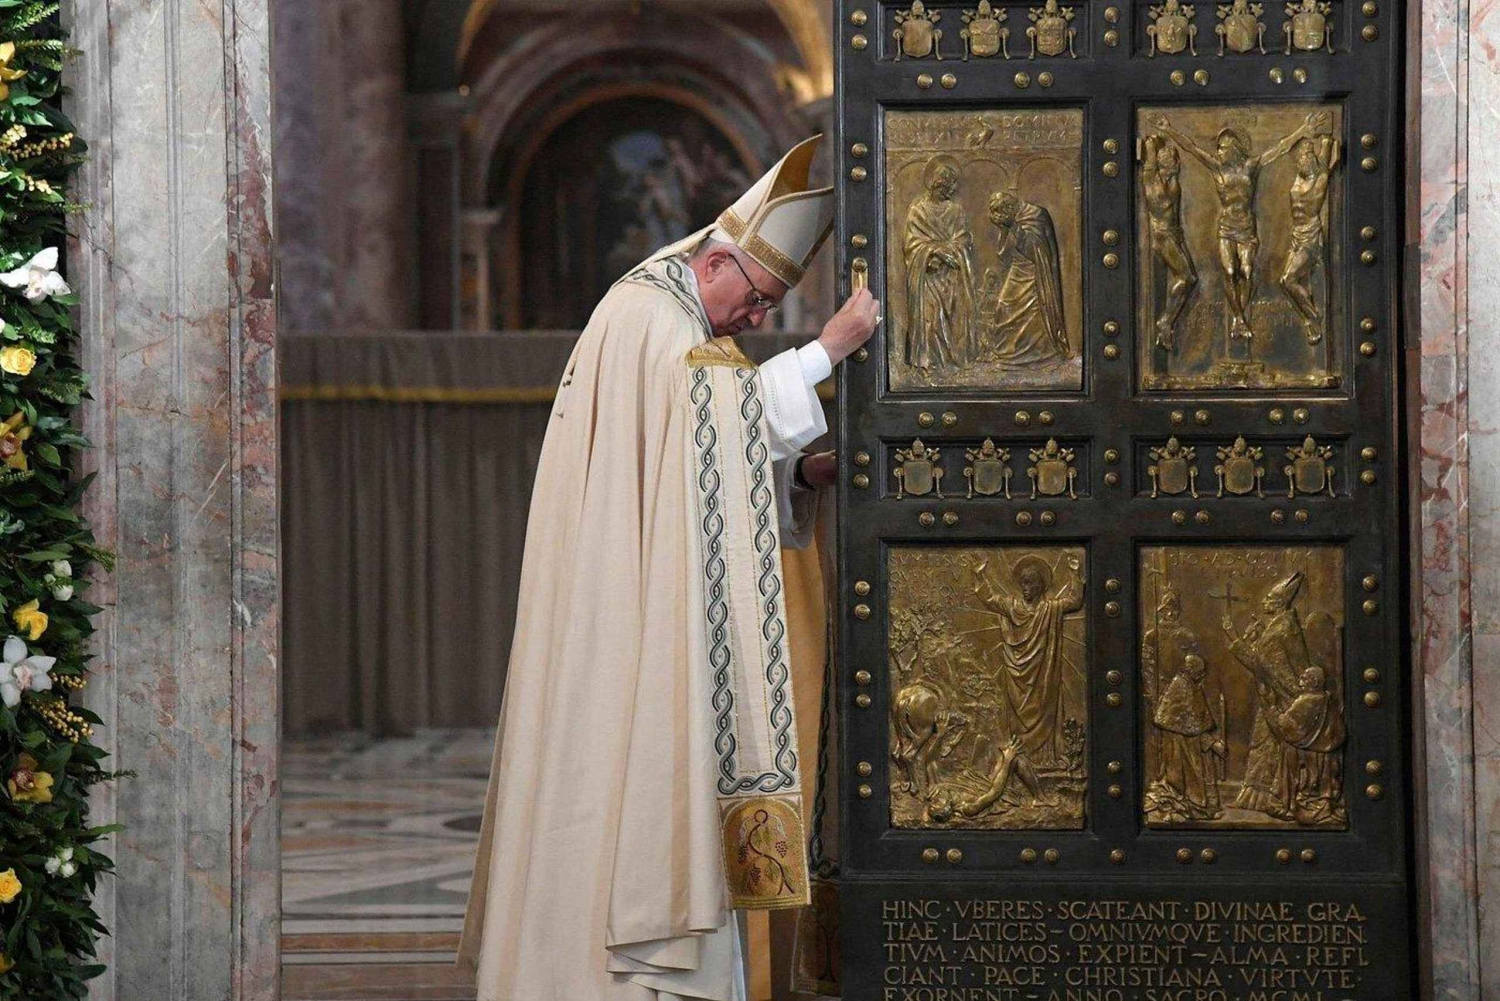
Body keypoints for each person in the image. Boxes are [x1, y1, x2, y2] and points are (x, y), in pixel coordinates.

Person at [459, 136, 881, 1000]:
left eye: (773, 308)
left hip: (651, 594)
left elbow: (696, 463)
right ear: (719, 260)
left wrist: (797, 475)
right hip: (630, 618)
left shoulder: (671, 317)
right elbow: (712, 420)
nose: (759, 319)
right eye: (760, 299)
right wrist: (827, 349)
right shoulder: (651, 315)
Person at [1152, 112, 1329, 341]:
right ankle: (1239, 319)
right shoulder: (1217, 169)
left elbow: (1280, 148)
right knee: (1229, 271)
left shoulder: (1250, 166)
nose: (1219, 151)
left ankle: (1240, 316)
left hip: (1246, 228)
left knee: (1246, 271)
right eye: (1218, 147)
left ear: (1235, 148)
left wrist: (1303, 131)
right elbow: (1192, 148)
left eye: (1224, 147)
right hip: (1226, 227)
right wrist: (1169, 130)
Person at [971, 553, 1084, 765]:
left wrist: (1075, 573)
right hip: (1017, 677)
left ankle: (1045, 760)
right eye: (1022, 583)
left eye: (1030, 583)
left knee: (1045, 713)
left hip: (1043, 676)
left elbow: (1075, 601)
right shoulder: (1013, 606)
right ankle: (1018, 763)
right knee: (1017, 722)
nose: (1025, 587)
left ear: (1040, 585)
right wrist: (980, 575)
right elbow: (989, 600)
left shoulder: (1050, 608)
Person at [903, 154, 977, 372]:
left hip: (952, 275)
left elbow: (964, 239)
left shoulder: (956, 211)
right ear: (939, 184)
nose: (954, 189)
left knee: (952, 318)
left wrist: (948, 253)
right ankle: (930, 363)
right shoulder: (917, 211)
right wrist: (932, 254)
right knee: (931, 318)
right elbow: (911, 244)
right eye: (950, 184)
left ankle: (951, 362)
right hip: (928, 277)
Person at [980, 190, 1070, 366]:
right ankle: (1007, 353)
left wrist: (1013, 226)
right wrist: (1004, 228)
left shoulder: (1036, 214)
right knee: (1003, 307)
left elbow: (1035, 251)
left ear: (1010, 207)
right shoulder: (1012, 217)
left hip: (1035, 274)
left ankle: (1039, 354)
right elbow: (1004, 255)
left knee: (1033, 313)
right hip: (1017, 269)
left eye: (1001, 212)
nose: (1000, 216)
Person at [1140, 136, 1198, 351]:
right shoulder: (1151, 179)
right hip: (1162, 236)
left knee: (1190, 278)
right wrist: (1151, 143)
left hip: (1175, 234)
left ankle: (1166, 322)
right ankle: (1165, 321)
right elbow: (1149, 163)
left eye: (1176, 160)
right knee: (1187, 277)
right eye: (1173, 161)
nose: (1177, 164)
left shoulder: (1173, 182)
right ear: (1164, 163)